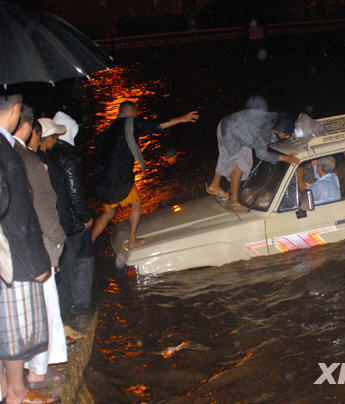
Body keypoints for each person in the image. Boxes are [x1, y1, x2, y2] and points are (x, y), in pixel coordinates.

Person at [0, 94, 59, 404]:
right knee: (15, 333)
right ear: (13, 111)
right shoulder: (6, 152)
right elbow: (18, 212)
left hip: (8, 251)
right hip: (12, 256)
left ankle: (9, 391)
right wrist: (38, 261)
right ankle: (17, 394)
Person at [13, 106, 68, 389]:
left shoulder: (8, 155)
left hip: (12, 250)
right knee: (44, 309)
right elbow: (47, 209)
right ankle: (37, 370)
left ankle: (21, 368)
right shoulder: (29, 161)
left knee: (16, 314)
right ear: (30, 129)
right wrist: (57, 243)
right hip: (37, 248)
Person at [92, 101, 199, 247]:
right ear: (132, 112)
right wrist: (180, 119)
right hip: (120, 177)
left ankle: (88, 243)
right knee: (136, 202)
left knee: (108, 214)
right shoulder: (132, 122)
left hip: (104, 177)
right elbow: (156, 125)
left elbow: (99, 143)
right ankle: (132, 240)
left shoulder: (111, 126)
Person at [39, 115, 94, 325]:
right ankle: (80, 307)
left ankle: (67, 309)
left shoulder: (43, 155)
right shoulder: (67, 156)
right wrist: (85, 217)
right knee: (83, 259)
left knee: (66, 263)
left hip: (55, 221)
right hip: (70, 220)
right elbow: (74, 192)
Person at [206, 109, 300, 211]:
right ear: (277, 130)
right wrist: (284, 158)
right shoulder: (263, 133)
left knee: (225, 157)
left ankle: (214, 185)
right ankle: (233, 200)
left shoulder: (276, 119)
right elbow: (261, 154)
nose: (288, 136)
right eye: (286, 134)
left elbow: (281, 130)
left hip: (225, 124)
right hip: (233, 133)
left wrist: (292, 134)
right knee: (241, 164)